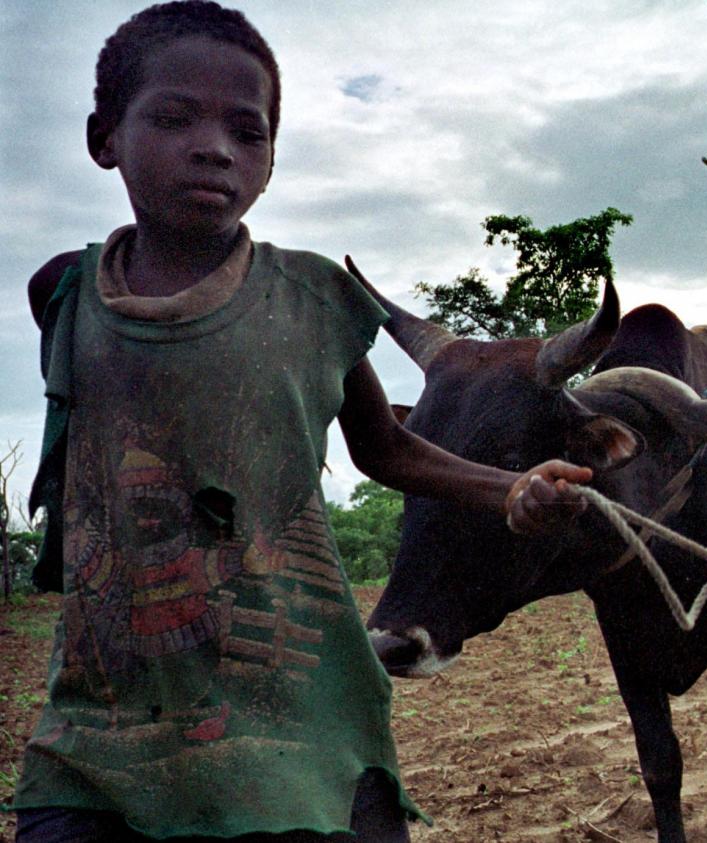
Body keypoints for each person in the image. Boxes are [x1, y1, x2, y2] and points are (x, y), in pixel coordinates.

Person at [6, 3, 593, 840]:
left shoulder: (318, 301)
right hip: (107, 710)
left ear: (271, 158)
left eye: (247, 131)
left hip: (296, 694)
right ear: (104, 138)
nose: (214, 146)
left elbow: (387, 448)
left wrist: (514, 488)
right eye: (174, 117)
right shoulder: (62, 295)